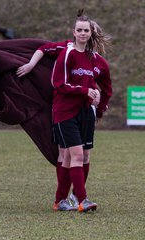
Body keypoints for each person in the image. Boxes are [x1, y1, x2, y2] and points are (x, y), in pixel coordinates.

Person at [16, 14, 112, 212]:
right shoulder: (66, 53)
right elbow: (59, 84)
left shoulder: (98, 61)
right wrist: (85, 91)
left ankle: (62, 200)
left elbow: (107, 88)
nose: (83, 33)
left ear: (91, 32)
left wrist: (100, 104)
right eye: (80, 30)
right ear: (74, 33)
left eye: (87, 30)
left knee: (83, 156)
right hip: (65, 111)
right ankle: (81, 200)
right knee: (72, 155)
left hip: (86, 112)